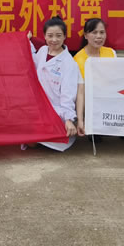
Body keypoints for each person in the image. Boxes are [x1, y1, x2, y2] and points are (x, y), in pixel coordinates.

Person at [29, 17, 81, 150]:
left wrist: (69, 119)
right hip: (39, 107)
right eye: (50, 35)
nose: (54, 40)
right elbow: (31, 61)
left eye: (58, 35)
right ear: (44, 36)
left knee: (35, 139)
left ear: (64, 37)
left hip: (57, 111)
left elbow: (68, 94)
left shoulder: (69, 63)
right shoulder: (42, 51)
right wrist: (27, 41)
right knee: (28, 137)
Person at [73, 18, 117, 136]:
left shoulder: (111, 53)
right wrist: (80, 120)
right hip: (90, 103)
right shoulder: (78, 59)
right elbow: (80, 93)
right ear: (85, 35)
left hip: (109, 98)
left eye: (102, 32)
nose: (99, 36)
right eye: (94, 32)